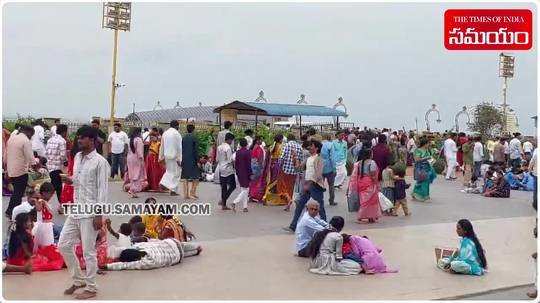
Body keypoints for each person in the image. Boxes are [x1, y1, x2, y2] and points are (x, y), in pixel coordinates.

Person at [58, 125, 110, 300]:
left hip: (90, 212)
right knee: (63, 244)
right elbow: (80, 181)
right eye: (78, 137)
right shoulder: (78, 157)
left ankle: (91, 287)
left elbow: (102, 190)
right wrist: (70, 180)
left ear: (92, 140)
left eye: (82, 138)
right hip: (76, 209)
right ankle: (78, 280)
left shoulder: (100, 162)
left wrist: (99, 214)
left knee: (88, 252)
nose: (79, 140)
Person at [288, 140, 327, 230]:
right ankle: (293, 225)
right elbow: (298, 168)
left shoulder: (319, 159)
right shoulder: (308, 159)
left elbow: (318, 175)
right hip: (308, 185)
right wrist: (294, 158)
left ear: (316, 148)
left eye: (311, 146)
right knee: (300, 205)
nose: (309, 147)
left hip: (315, 186)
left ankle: (325, 226)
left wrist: (309, 184)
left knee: (320, 207)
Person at [99, 238, 201, 271]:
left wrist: (107, 266)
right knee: (184, 246)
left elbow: (125, 265)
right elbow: (152, 241)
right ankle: (197, 246)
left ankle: (195, 252)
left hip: (177, 256)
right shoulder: (140, 247)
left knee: (184, 254)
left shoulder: (146, 262)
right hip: (172, 243)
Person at [5, 125, 36, 218]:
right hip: (21, 171)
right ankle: (12, 212)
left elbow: (6, 154)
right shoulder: (25, 141)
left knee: (16, 192)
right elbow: (30, 157)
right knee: (18, 193)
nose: (31, 137)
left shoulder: (12, 138)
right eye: (31, 135)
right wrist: (36, 165)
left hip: (11, 169)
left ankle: (10, 210)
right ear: (28, 132)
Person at [349, 148, 381, 223]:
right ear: (370, 154)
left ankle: (369, 216)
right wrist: (376, 183)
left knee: (363, 200)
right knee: (371, 200)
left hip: (361, 182)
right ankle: (363, 216)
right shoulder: (372, 162)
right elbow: (373, 174)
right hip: (369, 182)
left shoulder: (359, 163)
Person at [278, 134, 304, 204]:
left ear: (288, 139)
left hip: (285, 169)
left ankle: (288, 199)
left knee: (283, 187)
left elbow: (281, 158)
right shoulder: (299, 147)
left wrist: (278, 166)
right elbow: (301, 160)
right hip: (294, 171)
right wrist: (300, 171)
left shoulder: (286, 145)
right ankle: (289, 202)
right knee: (291, 187)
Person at [159, 120, 183, 196]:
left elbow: (162, 146)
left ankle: (168, 186)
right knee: (176, 173)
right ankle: (170, 188)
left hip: (167, 156)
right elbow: (179, 147)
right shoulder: (177, 134)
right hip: (174, 157)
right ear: (176, 126)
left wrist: (160, 156)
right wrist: (179, 159)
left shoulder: (165, 133)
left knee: (169, 171)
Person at [45, 124, 68, 203]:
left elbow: (46, 153)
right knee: (56, 187)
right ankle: (42, 200)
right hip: (57, 167)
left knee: (57, 186)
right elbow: (62, 156)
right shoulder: (62, 141)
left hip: (50, 166)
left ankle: (61, 204)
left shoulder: (50, 140)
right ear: (64, 132)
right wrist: (65, 162)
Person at [411, 137, 437, 202]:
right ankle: (425, 196)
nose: (429, 145)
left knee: (421, 182)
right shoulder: (418, 150)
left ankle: (415, 193)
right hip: (421, 168)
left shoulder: (428, 150)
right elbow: (416, 159)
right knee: (424, 181)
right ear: (425, 144)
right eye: (428, 143)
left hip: (428, 167)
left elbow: (431, 157)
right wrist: (426, 158)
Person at [180, 124, 200, 199]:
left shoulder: (183, 138)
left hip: (184, 159)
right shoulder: (194, 138)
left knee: (185, 177)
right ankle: (192, 192)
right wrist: (197, 160)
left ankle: (186, 194)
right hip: (192, 159)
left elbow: (181, 149)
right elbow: (195, 150)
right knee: (196, 177)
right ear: (193, 130)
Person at [216, 132, 236, 210]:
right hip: (228, 169)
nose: (232, 142)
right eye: (232, 140)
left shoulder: (219, 147)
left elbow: (217, 159)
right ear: (229, 140)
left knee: (223, 187)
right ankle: (224, 199)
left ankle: (223, 203)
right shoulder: (228, 148)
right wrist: (234, 166)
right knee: (233, 185)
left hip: (221, 168)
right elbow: (230, 159)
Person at [233, 138, 252, 212]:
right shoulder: (248, 152)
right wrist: (250, 173)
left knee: (244, 189)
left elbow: (236, 164)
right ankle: (235, 202)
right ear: (246, 144)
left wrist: (237, 172)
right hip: (246, 173)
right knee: (246, 189)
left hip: (239, 172)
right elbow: (248, 164)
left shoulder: (237, 152)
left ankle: (245, 207)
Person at [125, 127, 145, 198]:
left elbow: (126, 150)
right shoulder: (138, 140)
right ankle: (134, 189)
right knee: (137, 174)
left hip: (129, 158)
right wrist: (142, 159)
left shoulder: (129, 139)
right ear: (139, 132)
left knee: (131, 174)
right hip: (136, 158)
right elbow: (139, 152)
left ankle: (132, 190)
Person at [321, 134, 337, 206]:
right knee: (331, 185)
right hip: (329, 167)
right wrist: (334, 169)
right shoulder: (331, 145)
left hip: (320, 166)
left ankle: (319, 199)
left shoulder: (320, 144)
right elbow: (333, 158)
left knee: (320, 185)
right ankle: (331, 200)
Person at [249, 136, 266, 202]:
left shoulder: (252, 147)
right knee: (257, 181)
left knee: (252, 181)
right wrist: (262, 165)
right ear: (257, 141)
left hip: (252, 165)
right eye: (261, 140)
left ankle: (251, 195)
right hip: (257, 166)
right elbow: (259, 158)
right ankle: (254, 195)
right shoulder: (258, 148)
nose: (261, 141)